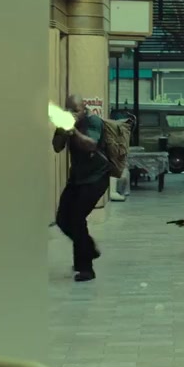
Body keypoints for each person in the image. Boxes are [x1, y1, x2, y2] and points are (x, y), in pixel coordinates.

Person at [52, 94, 109, 282]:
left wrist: (73, 131)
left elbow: (91, 145)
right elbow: (57, 147)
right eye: (68, 109)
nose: (72, 113)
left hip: (96, 178)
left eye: (75, 110)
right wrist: (63, 129)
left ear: (84, 109)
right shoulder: (65, 121)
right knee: (62, 219)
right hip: (77, 178)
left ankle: (86, 269)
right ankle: (88, 249)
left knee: (77, 219)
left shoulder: (93, 122)